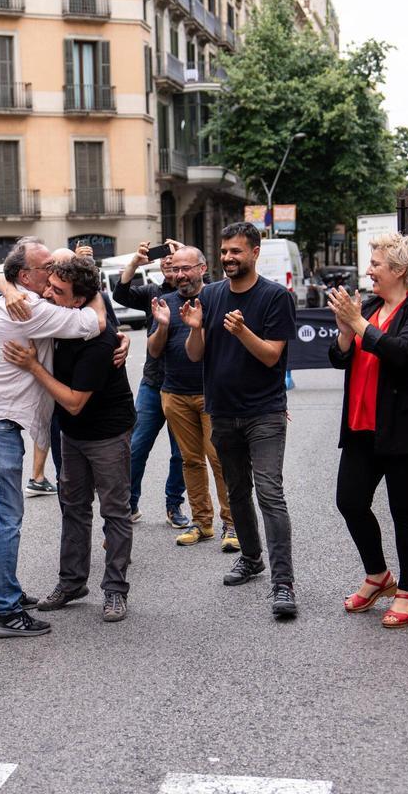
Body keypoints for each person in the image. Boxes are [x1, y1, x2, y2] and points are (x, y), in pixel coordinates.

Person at [0, 239, 110, 638]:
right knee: (5, 518)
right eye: (47, 269)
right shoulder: (31, 308)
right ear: (26, 276)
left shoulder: (20, 299)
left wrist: (6, 287)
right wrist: (95, 291)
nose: (54, 274)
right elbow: (94, 323)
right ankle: (4, 612)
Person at [4, 257, 136, 622]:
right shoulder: (60, 316)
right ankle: (73, 582)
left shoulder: (100, 339)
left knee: (115, 511)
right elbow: (9, 283)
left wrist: (32, 366)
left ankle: (115, 590)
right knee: (73, 506)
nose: (47, 293)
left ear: (78, 301)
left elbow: (75, 403)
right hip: (73, 434)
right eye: (48, 285)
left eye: (57, 291)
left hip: (107, 432)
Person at [182, 222, 299, 618]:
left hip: (264, 412)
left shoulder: (275, 297)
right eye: (224, 251)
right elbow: (196, 354)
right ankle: (251, 558)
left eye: (236, 251)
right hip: (223, 412)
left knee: (270, 493)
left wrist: (243, 331)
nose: (229, 258)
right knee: (237, 491)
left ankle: (283, 583)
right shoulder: (211, 295)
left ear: (254, 252)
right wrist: (196, 330)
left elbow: (271, 356)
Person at [328, 233, 408, 628]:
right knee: (350, 502)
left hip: (407, 430)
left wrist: (358, 322)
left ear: (399, 270)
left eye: (376, 264)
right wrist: (346, 331)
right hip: (363, 428)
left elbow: (403, 353)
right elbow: (339, 358)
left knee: (405, 512)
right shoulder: (371, 305)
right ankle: (378, 576)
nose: (369, 271)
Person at [147, 245, 237, 551]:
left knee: (221, 460)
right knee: (191, 460)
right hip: (174, 394)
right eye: (175, 270)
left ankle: (233, 524)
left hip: (213, 394)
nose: (180, 275)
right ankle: (202, 523)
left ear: (202, 268)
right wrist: (161, 325)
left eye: (186, 269)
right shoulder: (165, 302)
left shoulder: (217, 298)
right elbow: (154, 351)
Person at [113, 242, 189, 528]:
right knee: (136, 446)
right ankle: (129, 504)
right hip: (154, 384)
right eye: (166, 260)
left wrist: (186, 253)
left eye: (177, 260)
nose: (170, 263)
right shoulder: (151, 292)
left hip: (185, 386)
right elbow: (120, 293)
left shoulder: (198, 290)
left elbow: (207, 283)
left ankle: (174, 505)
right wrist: (134, 261)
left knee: (180, 453)